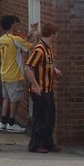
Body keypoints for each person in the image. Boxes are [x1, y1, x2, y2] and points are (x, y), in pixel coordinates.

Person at [24, 22, 63, 153]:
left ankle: (48, 143)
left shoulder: (48, 49)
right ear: (51, 35)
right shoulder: (39, 49)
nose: (56, 37)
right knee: (41, 118)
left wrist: (54, 70)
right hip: (40, 90)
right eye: (55, 34)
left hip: (48, 89)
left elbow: (47, 66)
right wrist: (35, 86)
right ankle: (36, 144)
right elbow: (28, 68)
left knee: (50, 117)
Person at [0, 15, 38, 133]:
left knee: (6, 98)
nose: (18, 26)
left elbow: (23, 41)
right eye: (16, 24)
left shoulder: (2, 39)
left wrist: (30, 32)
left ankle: (3, 122)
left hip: (4, 74)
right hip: (15, 74)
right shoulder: (15, 39)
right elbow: (31, 46)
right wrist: (35, 35)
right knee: (15, 100)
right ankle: (11, 123)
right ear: (12, 25)